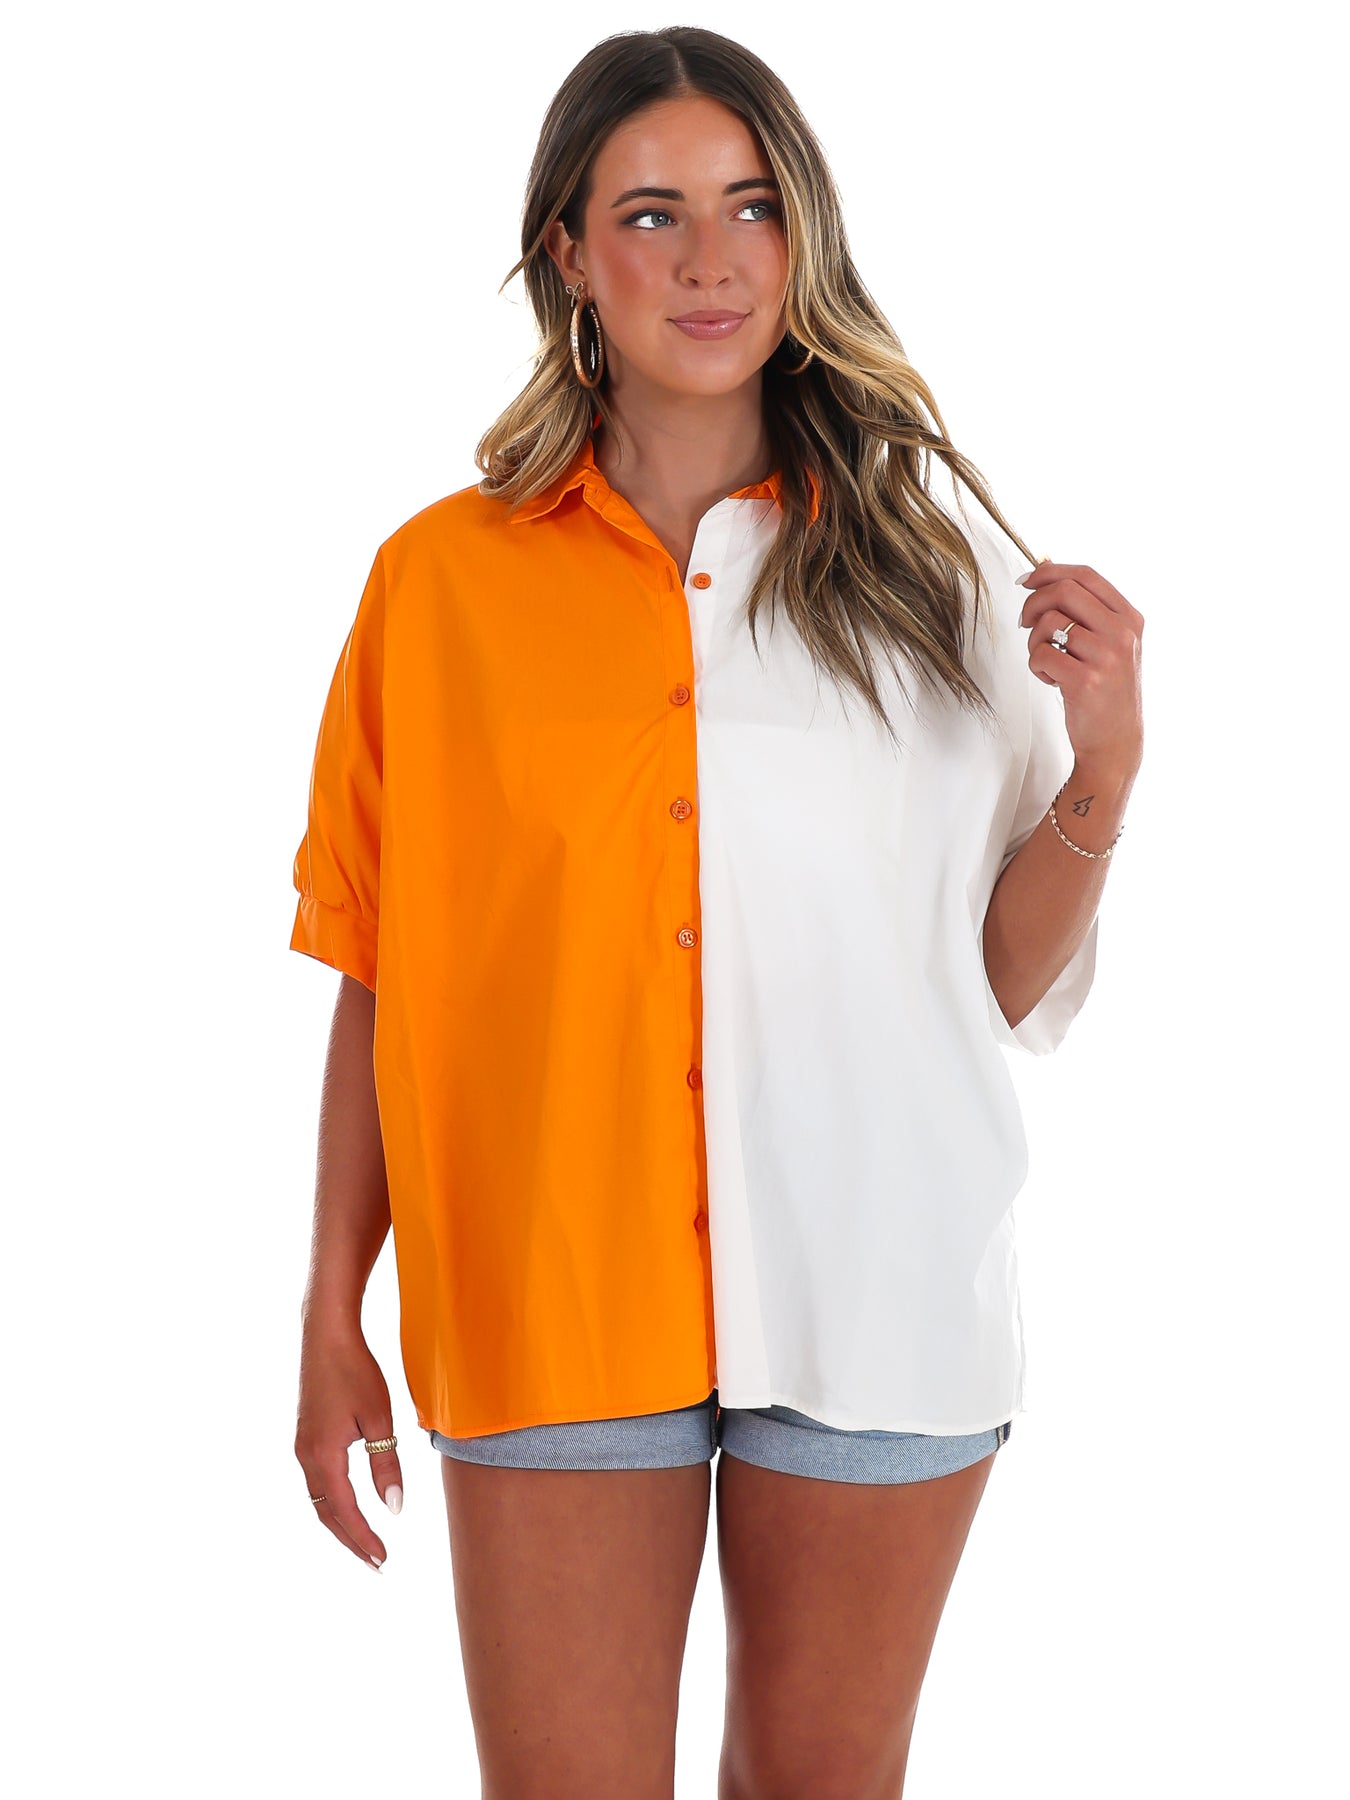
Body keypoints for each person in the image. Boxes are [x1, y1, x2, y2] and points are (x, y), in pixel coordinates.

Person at [289, 25, 1144, 1799]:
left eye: (751, 207)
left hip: (876, 1285)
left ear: (800, 233)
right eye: (651, 214)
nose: (710, 260)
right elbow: (383, 971)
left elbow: (991, 984)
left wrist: (1102, 776)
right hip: (549, 1287)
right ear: (567, 255)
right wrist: (328, 1305)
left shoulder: (933, 571)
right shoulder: (436, 587)